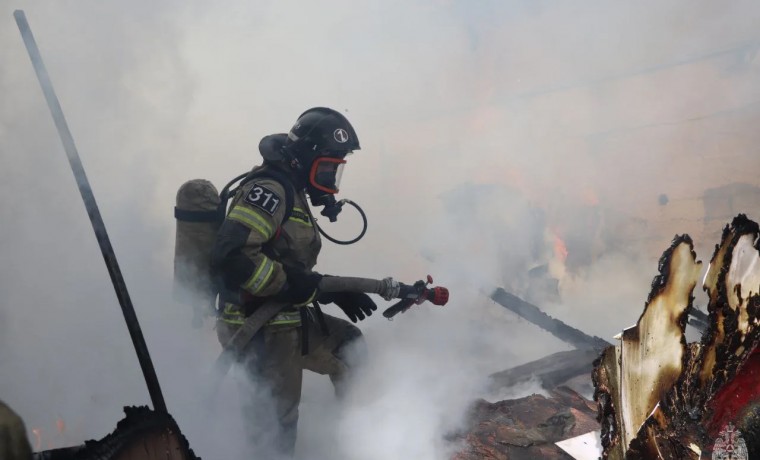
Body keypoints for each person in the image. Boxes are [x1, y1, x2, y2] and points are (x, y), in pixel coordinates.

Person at [210, 107, 377, 456]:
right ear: (304, 159)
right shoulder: (269, 190)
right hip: (256, 327)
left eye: (335, 170)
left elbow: (290, 262)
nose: (330, 179)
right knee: (274, 427)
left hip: (286, 317)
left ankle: (345, 442)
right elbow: (233, 255)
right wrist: (292, 285)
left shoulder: (294, 191)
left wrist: (329, 291)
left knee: (349, 346)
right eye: (327, 168)